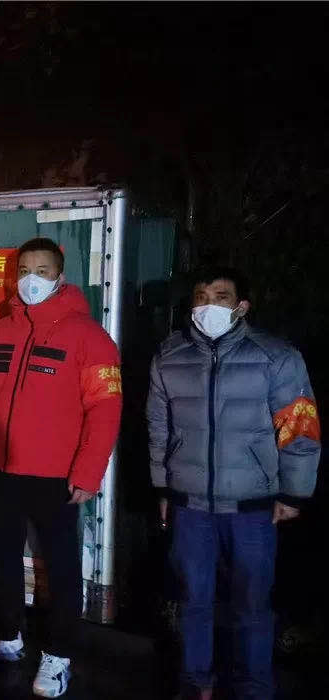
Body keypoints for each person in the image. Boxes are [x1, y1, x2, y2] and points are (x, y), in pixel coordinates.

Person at [0, 238, 122, 698]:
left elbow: (106, 409)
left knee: (61, 566)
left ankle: (58, 655)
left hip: (56, 477)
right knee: (1, 557)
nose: (31, 279)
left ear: (60, 277)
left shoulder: (89, 337)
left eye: (42, 271)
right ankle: (7, 636)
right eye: (24, 270)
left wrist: (88, 473)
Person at [147, 266, 321, 700]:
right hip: (190, 505)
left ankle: (254, 688)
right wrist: (163, 488)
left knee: (252, 606)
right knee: (194, 601)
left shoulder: (277, 357)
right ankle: (196, 683)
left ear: (242, 306)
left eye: (220, 297)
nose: (208, 306)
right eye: (201, 297)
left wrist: (294, 493)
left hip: (253, 507)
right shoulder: (169, 356)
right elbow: (158, 428)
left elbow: (299, 428)